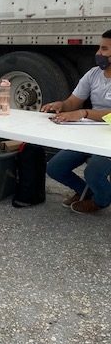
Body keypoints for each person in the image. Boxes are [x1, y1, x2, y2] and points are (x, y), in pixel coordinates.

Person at [41, 29, 111, 214]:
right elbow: (74, 101)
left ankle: (102, 200)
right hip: (91, 133)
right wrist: (61, 105)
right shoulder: (94, 74)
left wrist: (84, 113)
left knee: (94, 172)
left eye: (104, 49)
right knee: (55, 167)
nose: (98, 53)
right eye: (99, 48)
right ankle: (84, 192)